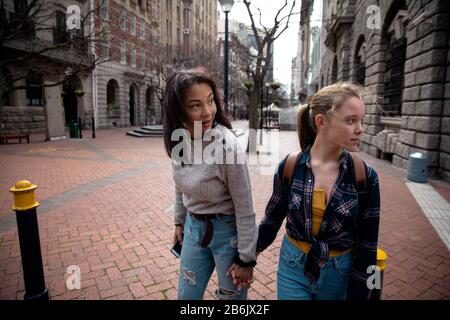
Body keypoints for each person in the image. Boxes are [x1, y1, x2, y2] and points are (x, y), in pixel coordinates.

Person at [256, 82, 381, 300]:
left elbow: (368, 245)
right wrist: (246, 257)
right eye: (351, 120)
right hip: (293, 266)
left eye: (361, 120)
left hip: (340, 273)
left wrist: (362, 293)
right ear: (321, 121)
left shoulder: (365, 176)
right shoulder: (290, 167)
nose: (360, 129)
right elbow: (271, 220)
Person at [163, 69, 258, 300]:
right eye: (195, 105)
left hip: (228, 234)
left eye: (210, 101)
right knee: (186, 297)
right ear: (178, 110)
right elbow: (180, 184)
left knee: (232, 300)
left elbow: (245, 207)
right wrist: (179, 221)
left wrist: (245, 258)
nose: (207, 112)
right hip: (193, 231)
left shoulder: (227, 147)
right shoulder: (181, 139)